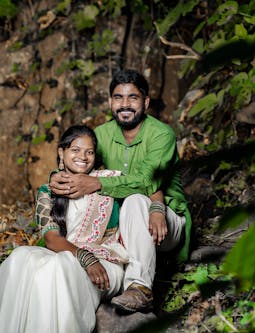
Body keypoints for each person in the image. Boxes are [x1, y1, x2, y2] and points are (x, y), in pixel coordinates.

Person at [49, 69, 192, 313]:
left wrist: (100, 184)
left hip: (163, 222)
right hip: (119, 230)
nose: (125, 104)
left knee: (136, 200)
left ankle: (139, 288)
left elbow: (147, 181)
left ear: (145, 102)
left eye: (133, 98)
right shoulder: (102, 135)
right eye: (118, 97)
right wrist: (57, 178)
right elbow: (78, 159)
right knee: (126, 205)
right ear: (110, 102)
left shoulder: (161, 135)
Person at [0, 125, 129, 333]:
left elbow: (144, 185)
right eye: (75, 150)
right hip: (72, 254)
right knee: (19, 257)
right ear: (62, 152)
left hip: (104, 262)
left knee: (57, 266)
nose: (83, 157)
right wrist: (85, 258)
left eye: (89, 152)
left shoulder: (108, 181)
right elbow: (51, 239)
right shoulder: (48, 192)